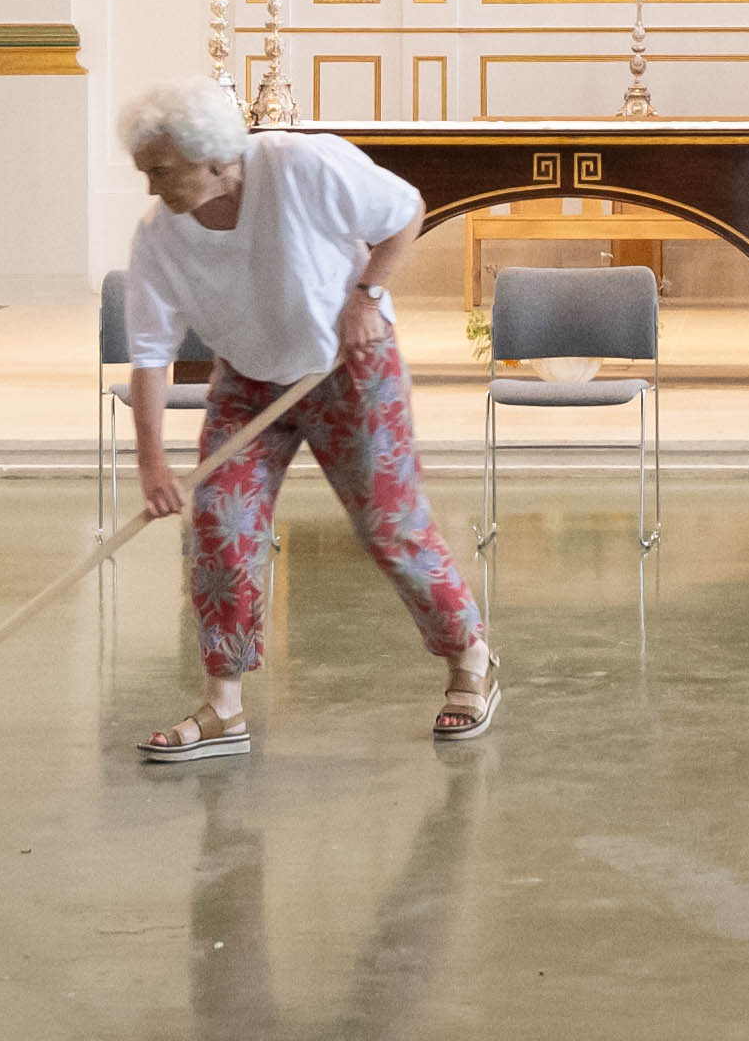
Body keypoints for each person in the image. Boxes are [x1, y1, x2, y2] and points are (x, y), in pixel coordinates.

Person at [114, 81, 492, 761]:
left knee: (389, 525)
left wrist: (367, 295)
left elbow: (406, 210)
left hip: (348, 366)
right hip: (249, 380)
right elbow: (148, 354)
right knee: (221, 523)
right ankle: (224, 706)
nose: (151, 185)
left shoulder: (301, 164)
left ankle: (470, 656)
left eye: (161, 169)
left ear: (210, 156)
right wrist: (151, 464)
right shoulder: (160, 236)